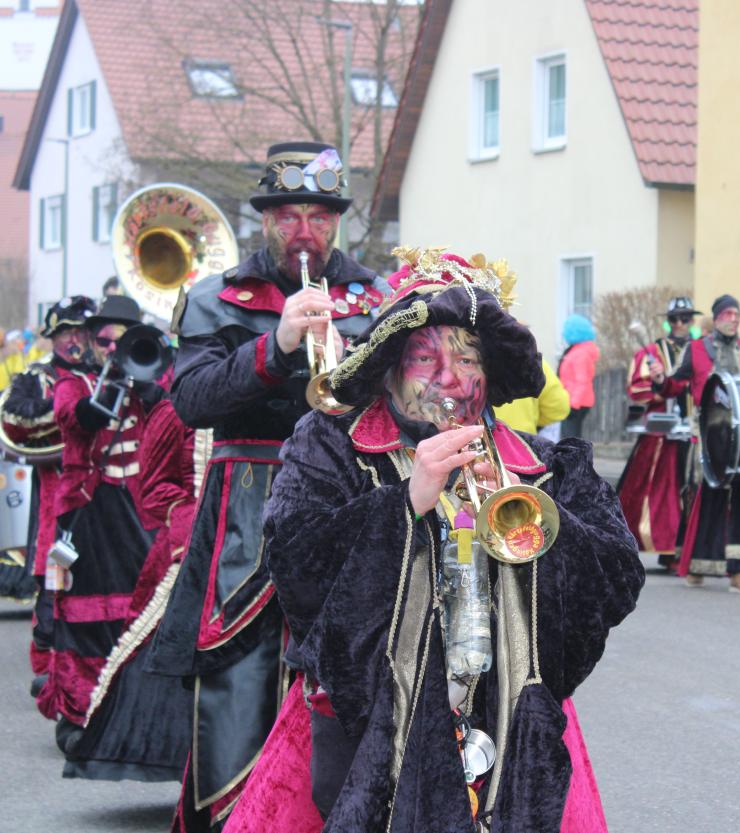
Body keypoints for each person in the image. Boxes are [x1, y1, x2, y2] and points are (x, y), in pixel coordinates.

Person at [222, 247, 643, 832]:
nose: (450, 377)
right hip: (363, 720)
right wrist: (406, 503)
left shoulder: (542, 462)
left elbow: (619, 575)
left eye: (468, 359)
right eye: (425, 357)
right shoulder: (328, 444)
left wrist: (538, 518)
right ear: (390, 367)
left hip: (509, 723)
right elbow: (294, 562)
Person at [144, 141, 389, 830]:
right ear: (264, 220)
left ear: (338, 220)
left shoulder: (375, 296)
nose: (303, 231)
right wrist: (276, 347)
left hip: (347, 501)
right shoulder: (215, 297)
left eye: (318, 215)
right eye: (288, 216)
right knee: (235, 685)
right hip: (246, 512)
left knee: (347, 682)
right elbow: (191, 401)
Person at [45, 295, 167, 752]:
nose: (110, 346)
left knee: (137, 617)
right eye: (103, 339)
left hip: (137, 515)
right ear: (92, 343)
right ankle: (81, 712)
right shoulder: (74, 383)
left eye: (121, 339)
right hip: (88, 514)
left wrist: (153, 383)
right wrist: (113, 381)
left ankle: (129, 715)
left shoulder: (151, 379)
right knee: (84, 617)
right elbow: (76, 417)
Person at [0, 297, 96, 689]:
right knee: (54, 599)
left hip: (107, 508)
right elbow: (13, 418)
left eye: (82, 332)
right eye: (67, 333)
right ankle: (55, 678)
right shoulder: (36, 378)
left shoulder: (109, 373)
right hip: (57, 514)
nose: (76, 341)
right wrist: (76, 411)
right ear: (53, 337)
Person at [657, 295, 740, 593]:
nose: (734, 318)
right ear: (718, 316)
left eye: (738, 314)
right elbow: (673, 385)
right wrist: (660, 380)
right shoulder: (696, 350)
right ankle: (697, 565)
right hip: (710, 439)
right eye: (728, 313)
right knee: (708, 500)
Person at [618, 296, 699, 570]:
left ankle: (685, 550)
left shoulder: (700, 350)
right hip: (662, 434)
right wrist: (658, 384)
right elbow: (635, 389)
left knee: (692, 490)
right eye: (674, 318)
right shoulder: (652, 351)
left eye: (685, 318)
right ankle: (662, 547)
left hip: (695, 430)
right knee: (657, 491)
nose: (679, 324)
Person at [493, 357, 569, 434]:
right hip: (522, 439)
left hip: (486, 438)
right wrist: (532, 419)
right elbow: (559, 406)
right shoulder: (529, 358)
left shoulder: (482, 360)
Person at [557, 314, 599, 438]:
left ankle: (574, 458)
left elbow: (582, 381)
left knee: (570, 439)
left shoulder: (580, 354)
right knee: (572, 438)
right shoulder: (577, 351)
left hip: (575, 403)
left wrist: (572, 405)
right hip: (575, 401)